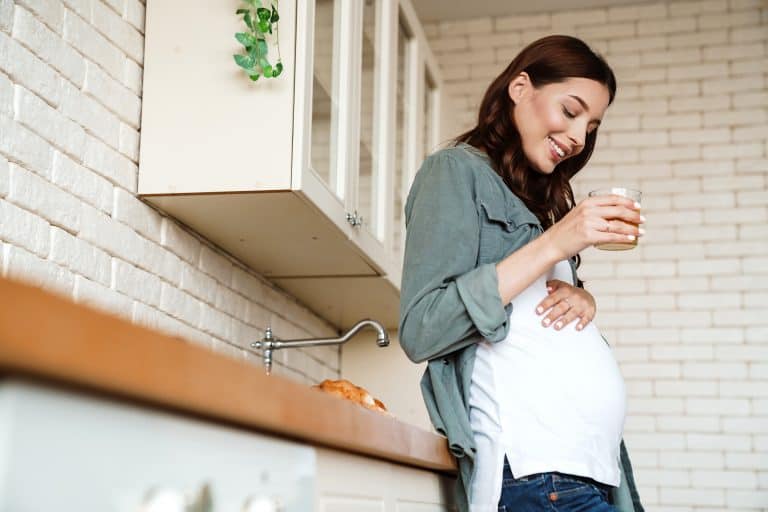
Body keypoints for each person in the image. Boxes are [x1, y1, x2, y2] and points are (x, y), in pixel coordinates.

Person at [399, 35, 645, 512]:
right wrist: (556, 242)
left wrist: (583, 302)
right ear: (519, 87)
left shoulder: (542, 204)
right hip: (538, 475)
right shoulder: (453, 171)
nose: (578, 137)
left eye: (591, 126)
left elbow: (531, 313)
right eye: (571, 111)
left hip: (593, 472)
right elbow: (422, 328)